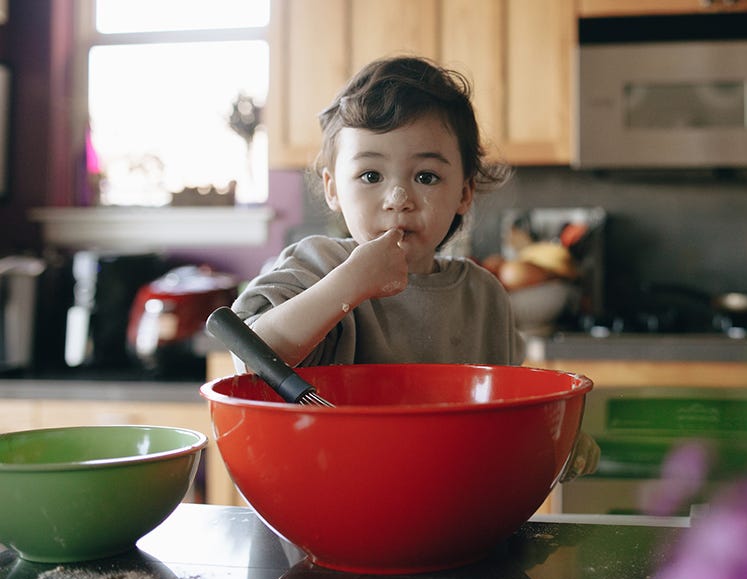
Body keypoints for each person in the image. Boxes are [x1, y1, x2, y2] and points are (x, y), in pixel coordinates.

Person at [230, 56, 598, 480]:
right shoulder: (318, 265)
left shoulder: (483, 296)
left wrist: (554, 441)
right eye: (371, 176)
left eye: (426, 177)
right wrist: (347, 284)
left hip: (451, 509)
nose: (398, 197)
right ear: (333, 189)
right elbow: (249, 353)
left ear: (463, 194)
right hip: (329, 497)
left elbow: (505, 421)